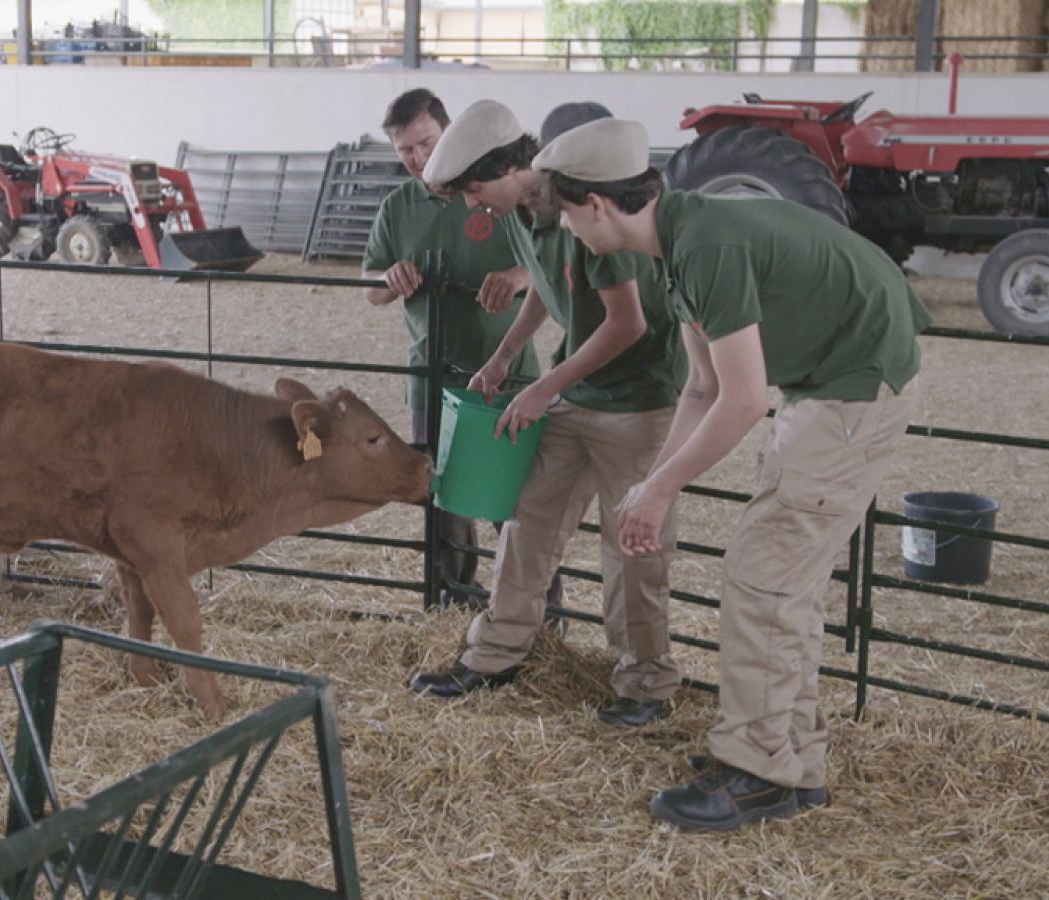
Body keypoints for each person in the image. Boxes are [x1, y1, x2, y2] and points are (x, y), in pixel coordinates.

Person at [533, 117, 929, 830]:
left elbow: (745, 401)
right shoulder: (682, 238)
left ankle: (760, 773)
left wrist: (659, 488)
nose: (566, 229)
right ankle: (788, 760)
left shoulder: (704, 243)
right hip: (828, 383)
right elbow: (703, 388)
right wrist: (651, 486)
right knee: (779, 580)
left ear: (595, 205)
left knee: (764, 574)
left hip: (853, 384)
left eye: (564, 212)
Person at [406, 99, 686, 729]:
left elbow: (627, 323)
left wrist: (542, 387)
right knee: (527, 523)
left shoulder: (588, 208)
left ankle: (645, 682)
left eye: (477, 187)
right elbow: (542, 285)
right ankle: (495, 655)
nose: (475, 204)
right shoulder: (518, 215)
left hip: (638, 403)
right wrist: (507, 356)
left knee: (633, 545)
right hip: (578, 394)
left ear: (510, 166)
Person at [361, 89, 554, 609]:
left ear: (451, 134)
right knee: (441, 495)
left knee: (510, 496)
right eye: (406, 150)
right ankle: (454, 599)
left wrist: (516, 277)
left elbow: (543, 266)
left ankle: (536, 605)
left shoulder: (504, 197)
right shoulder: (398, 206)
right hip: (431, 372)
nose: (419, 159)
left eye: (426, 143)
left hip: (504, 370)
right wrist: (391, 275)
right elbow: (372, 285)